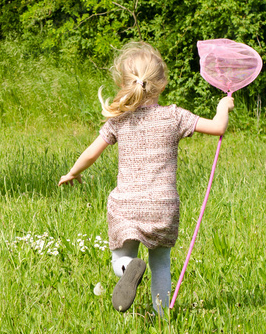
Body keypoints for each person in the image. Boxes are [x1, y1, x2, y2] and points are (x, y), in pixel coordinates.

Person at [58, 42, 233, 317]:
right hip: (162, 206)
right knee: (161, 263)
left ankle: (129, 269)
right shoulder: (174, 116)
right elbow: (217, 126)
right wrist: (223, 105)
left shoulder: (119, 121)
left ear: (126, 84)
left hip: (127, 205)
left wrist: (73, 172)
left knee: (120, 258)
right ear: (162, 83)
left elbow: (92, 153)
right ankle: (161, 317)